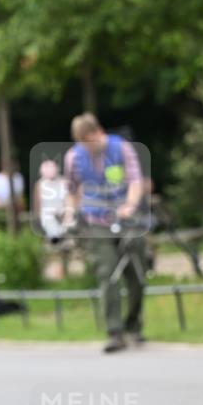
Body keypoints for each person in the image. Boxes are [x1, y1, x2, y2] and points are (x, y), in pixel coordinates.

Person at [64, 114, 147, 352]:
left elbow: (136, 181)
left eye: (88, 140)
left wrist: (130, 205)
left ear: (99, 132)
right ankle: (115, 332)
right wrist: (70, 213)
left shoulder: (122, 149)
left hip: (127, 218)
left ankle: (134, 325)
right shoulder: (74, 157)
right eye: (82, 142)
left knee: (136, 274)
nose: (86, 147)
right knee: (107, 272)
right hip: (96, 221)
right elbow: (72, 190)